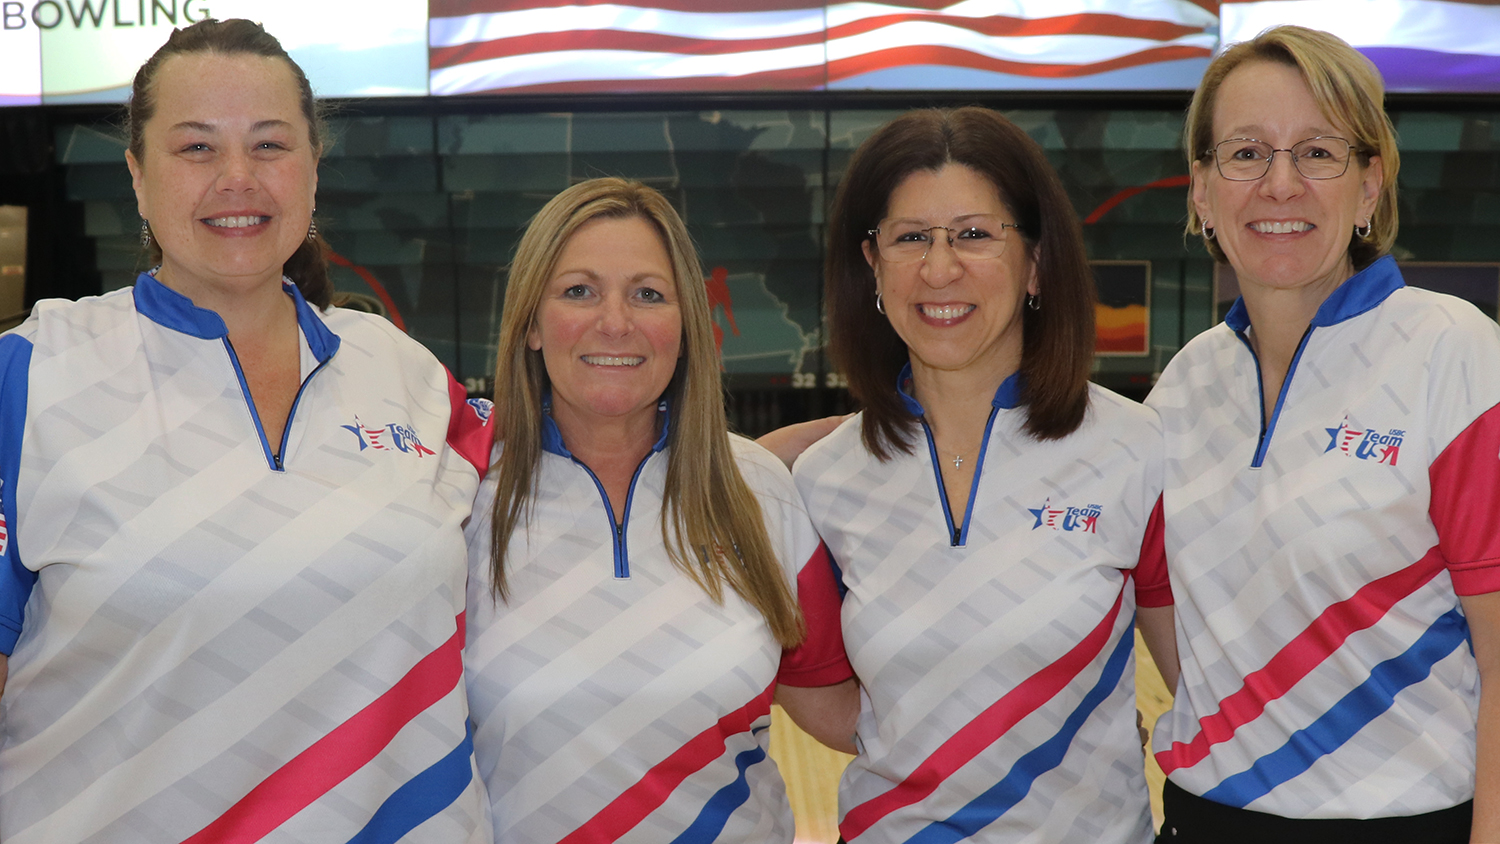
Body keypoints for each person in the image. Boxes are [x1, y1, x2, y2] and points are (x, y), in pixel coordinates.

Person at [0, 20, 494, 843]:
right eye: (196, 148)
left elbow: (569, 463)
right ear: (137, 176)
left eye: (270, 146)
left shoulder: (405, 373)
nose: (238, 178)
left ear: (311, 172)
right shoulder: (29, 376)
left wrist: (766, 456)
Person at [1147, 25, 1500, 843]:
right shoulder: (1185, 386)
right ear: (1202, 190)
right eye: (1245, 153)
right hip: (1203, 821)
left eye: (1317, 152)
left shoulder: (1456, 355)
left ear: (1370, 185)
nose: (1280, 185)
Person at [792, 107, 1176, 843]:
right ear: (872, 263)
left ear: (1035, 262)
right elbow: (826, 701)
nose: (940, 268)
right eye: (910, 238)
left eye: (975, 234)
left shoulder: (1135, 448)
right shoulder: (821, 481)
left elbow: (1200, 687)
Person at [463, 177, 857, 843]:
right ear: (531, 323)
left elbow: (837, 704)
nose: (615, 322)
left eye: (648, 294)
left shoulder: (758, 488)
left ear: (684, 326)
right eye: (579, 291)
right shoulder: (461, 494)